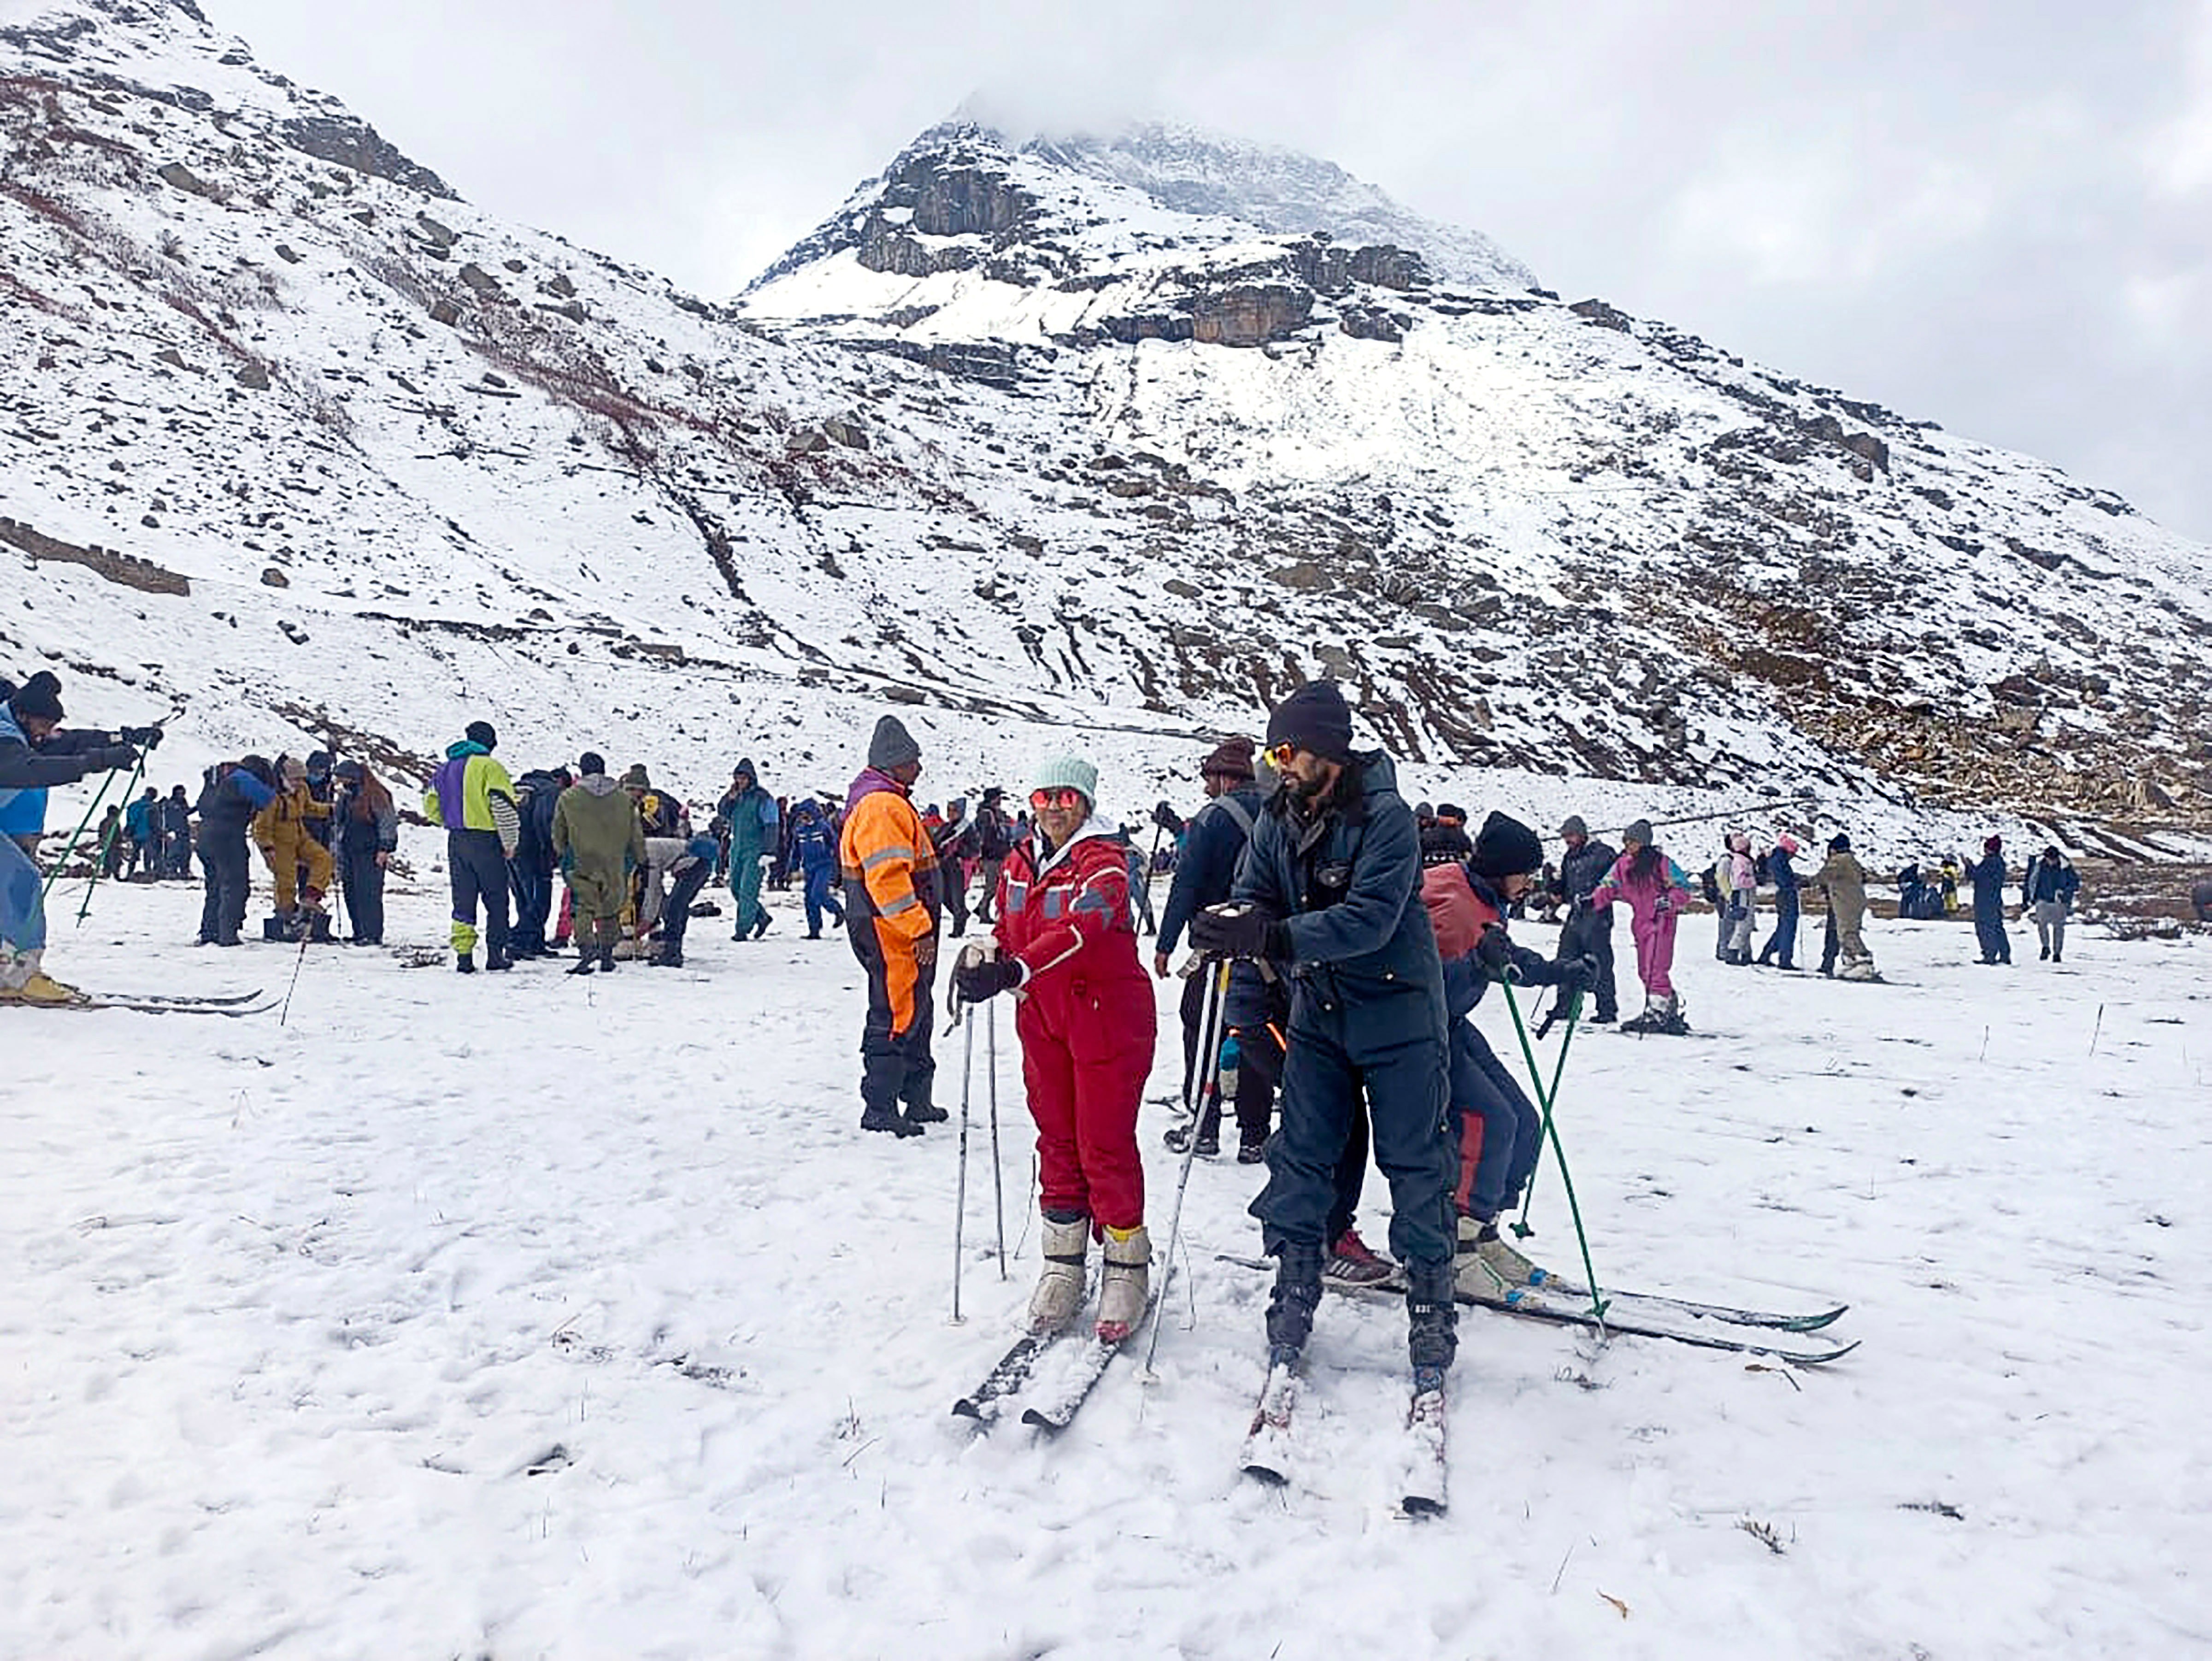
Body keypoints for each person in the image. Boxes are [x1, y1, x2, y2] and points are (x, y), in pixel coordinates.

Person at [1189, 680, 1458, 1399]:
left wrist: (1273, 934)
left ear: (1328, 752)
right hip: (1319, 1015)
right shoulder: (1277, 819)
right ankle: (1295, 1288)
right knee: (1301, 1156)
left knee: (1415, 1162)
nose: (1278, 763)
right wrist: (1229, 926)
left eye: (1289, 750)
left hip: (1397, 1015)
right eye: (1274, 750)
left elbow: (1371, 919)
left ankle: (1431, 1304)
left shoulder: (1389, 819)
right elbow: (1258, 897)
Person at [954, 754, 1158, 1341]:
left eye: (1067, 798)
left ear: (1086, 803)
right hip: (1042, 1016)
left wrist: (1019, 965)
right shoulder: (1019, 862)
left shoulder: (1105, 864)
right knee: (1056, 1138)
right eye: (1045, 797)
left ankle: (1125, 1262)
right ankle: (1063, 1261)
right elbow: (1008, 926)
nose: (1053, 808)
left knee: (1105, 1141)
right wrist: (988, 956)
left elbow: (1084, 925)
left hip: (1105, 1017)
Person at [1423, 813, 1595, 1295]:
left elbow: (1504, 955)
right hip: (1421, 1033)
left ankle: (1484, 1230)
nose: (1531, 883)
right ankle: (1456, 1248)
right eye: (1527, 873)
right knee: (1490, 1118)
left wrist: (1562, 970)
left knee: (1523, 1118)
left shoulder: (1484, 896)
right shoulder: (1452, 902)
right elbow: (1422, 984)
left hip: (1453, 1024)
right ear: (1503, 868)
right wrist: (1480, 964)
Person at [1154, 736, 1269, 1160]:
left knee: (1201, 1029)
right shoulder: (1277, 813)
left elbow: (1186, 885)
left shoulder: (1211, 819)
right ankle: (1255, 1133)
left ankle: (1204, 1127)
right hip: (1263, 947)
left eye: (1208, 779)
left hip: (1215, 946)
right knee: (1254, 1031)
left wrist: (1166, 943)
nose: (1205, 788)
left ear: (1224, 778)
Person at [0, 672, 147, 1001]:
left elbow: (68, 741)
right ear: (23, 714)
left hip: (13, 827)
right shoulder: (5, 737)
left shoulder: (23, 729)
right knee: (22, 884)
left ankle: (11, 974)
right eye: (42, 724)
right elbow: (31, 769)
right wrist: (99, 761)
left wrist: (122, 739)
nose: (44, 733)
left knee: (13, 891)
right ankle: (20, 976)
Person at [840, 716, 944, 1136]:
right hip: (891, 929)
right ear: (892, 763)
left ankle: (917, 1098)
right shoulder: (882, 806)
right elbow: (888, 880)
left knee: (917, 1005)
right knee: (896, 1009)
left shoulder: (889, 800)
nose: (918, 766)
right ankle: (880, 1106)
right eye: (911, 759)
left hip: (896, 926)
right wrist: (918, 926)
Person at [424, 719, 520, 973]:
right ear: (490, 742)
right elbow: (502, 807)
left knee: (463, 900)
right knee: (497, 899)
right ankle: (495, 955)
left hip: (457, 840)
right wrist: (510, 842)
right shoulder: (491, 767)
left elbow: (431, 807)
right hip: (487, 841)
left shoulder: (444, 770)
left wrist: (452, 820)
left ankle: (464, 957)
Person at [1588, 819, 1695, 1034]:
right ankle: (1664, 1004)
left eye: (1632, 841)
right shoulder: (1623, 865)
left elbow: (1683, 888)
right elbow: (1608, 886)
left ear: (1643, 842)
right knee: (1644, 968)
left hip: (1662, 921)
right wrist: (1592, 901)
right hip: (1640, 922)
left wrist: (1669, 901)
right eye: (1626, 840)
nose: (1627, 845)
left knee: (1657, 966)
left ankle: (1658, 1008)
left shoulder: (1662, 863)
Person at [553, 753, 644, 974]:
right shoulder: (624, 799)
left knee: (583, 907)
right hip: (615, 861)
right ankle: (606, 956)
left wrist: (564, 855)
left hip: (581, 860)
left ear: (582, 771)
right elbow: (636, 833)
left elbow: (559, 832)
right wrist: (639, 859)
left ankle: (586, 954)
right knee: (610, 908)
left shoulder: (569, 797)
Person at [195, 758, 276, 947]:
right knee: (235, 886)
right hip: (228, 838)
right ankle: (228, 935)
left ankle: (210, 932)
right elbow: (267, 798)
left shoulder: (216, 780)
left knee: (214, 886)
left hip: (205, 837)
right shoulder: (242, 778)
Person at [253, 755, 334, 934]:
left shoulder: (303, 789)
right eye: (295, 779)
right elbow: (261, 827)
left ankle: (311, 897)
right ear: (284, 777)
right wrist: (267, 848)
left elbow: (309, 808)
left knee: (324, 859)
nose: (299, 783)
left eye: (301, 779)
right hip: (279, 842)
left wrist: (330, 810)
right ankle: (286, 916)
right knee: (286, 881)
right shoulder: (272, 796)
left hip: (300, 835)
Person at [1551, 815, 1619, 1022]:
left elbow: (1616, 880)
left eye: (1570, 836)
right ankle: (1566, 1006)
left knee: (1600, 961)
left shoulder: (1604, 854)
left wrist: (1597, 897)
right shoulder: (1569, 857)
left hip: (1599, 914)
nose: (1567, 841)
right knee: (1566, 957)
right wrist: (1556, 889)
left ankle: (1607, 1009)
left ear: (1581, 834)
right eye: (1565, 837)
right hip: (1576, 913)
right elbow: (1564, 884)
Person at [331, 760, 397, 945]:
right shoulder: (347, 797)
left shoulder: (376, 795)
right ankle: (359, 931)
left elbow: (387, 822)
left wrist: (385, 848)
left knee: (368, 893)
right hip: (350, 850)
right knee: (351, 891)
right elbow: (338, 824)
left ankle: (372, 933)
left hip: (370, 852)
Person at [507, 766, 569, 959]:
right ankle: (516, 941)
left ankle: (534, 943)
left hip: (511, 851)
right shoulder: (550, 791)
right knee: (540, 902)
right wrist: (552, 851)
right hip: (536, 853)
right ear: (559, 782)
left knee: (523, 900)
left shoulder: (515, 788)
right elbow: (547, 821)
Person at [719, 760, 778, 941]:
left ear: (751, 778)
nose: (740, 781)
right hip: (737, 847)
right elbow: (722, 812)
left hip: (756, 849)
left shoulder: (763, 798)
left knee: (748, 890)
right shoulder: (737, 797)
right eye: (738, 778)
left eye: (743, 778)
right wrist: (729, 798)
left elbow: (772, 825)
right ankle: (761, 917)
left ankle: (742, 929)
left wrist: (769, 851)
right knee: (735, 888)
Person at [648, 832, 720, 967]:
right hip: (702, 865)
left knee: (673, 909)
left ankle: (672, 954)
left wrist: (647, 919)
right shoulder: (649, 846)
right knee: (678, 906)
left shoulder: (648, 856)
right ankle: (674, 947)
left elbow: (654, 889)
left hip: (695, 865)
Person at [1815, 833, 1878, 980]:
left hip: (1845, 902)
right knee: (1846, 931)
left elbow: (1825, 875)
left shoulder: (1839, 861)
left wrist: (1805, 881)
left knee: (1847, 932)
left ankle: (1863, 960)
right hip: (1853, 901)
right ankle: (1851, 961)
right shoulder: (1852, 861)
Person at [788, 797, 844, 938]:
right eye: (801, 816)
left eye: (806, 815)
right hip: (809, 867)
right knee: (809, 899)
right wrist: (793, 868)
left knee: (818, 893)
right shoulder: (800, 830)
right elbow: (796, 851)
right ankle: (814, 930)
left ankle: (837, 911)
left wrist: (839, 864)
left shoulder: (823, 827)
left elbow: (835, 844)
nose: (804, 819)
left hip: (824, 865)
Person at [2021, 845, 2080, 962]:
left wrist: (2065, 893)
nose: (2052, 861)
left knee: (2059, 928)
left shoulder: (2066, 867)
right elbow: (2029, 882)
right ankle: (2045, 947)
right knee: (2042, 925)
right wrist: (2026, 900)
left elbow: (2075, 883)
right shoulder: (2038, 867)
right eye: (2049, 858)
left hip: (2060, 902)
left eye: (2053, 859)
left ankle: (2057, 953)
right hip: (2042, 900)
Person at [1755, 834, 1803, 968]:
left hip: (1782, 895)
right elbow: (1786, 881)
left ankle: (1766, 954)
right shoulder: (1780, 860)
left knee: (1783, 927)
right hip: (1787, 896)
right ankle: (1785, 959)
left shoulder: (1776, 858)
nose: (1793, 857)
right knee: (1788, 928)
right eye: (1793, 854)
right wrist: (1796, 883)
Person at [971, 786, 1015, 924]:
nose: (1000, 800)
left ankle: (982, 908)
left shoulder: (993, 814)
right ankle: (983, 911)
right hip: (992, 855)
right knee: (993, 886)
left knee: (996, 885)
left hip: (996, 854)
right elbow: (988, 837)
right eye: (998, 797)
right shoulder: (987, 815)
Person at [1968, 836, 2012, 966]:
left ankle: (1989, 954)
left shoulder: (1989, 862)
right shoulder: (1999, 862)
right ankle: (2004, 954)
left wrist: (1969, 866)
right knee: (1997, 927)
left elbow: (1977, 876)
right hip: (1995, 899)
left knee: (1985, 927)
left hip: (1984, 900)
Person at [1720, 832, 1758, 965]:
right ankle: (1733, 951)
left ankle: (1746, 953)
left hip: (1743, 894)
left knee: (1746, 924)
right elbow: (1740, 880)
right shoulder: (1742, 861)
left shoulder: (1740, 859)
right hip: (1744, 894)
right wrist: (1754, 880)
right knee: (1745, 924)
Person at [159, 784, 193, 878]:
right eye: (179, 793)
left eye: (182, 793)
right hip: (173, 831)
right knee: (173, 852)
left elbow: (186, 812)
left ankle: (184, 871)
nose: (181, 795)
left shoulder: (183, 803)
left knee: (186, 853)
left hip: (184, 831)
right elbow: (180, 814)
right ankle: (171, 871)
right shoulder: (170, 804)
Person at [124, 787, 158, 879]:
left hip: (136, 834)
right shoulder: (153, 807)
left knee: (135, 855)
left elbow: (131, 819)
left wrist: (130, 830)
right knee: (148, 855)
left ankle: (130, 873)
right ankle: (148, 872)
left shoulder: (135, 805)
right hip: (148, 834)